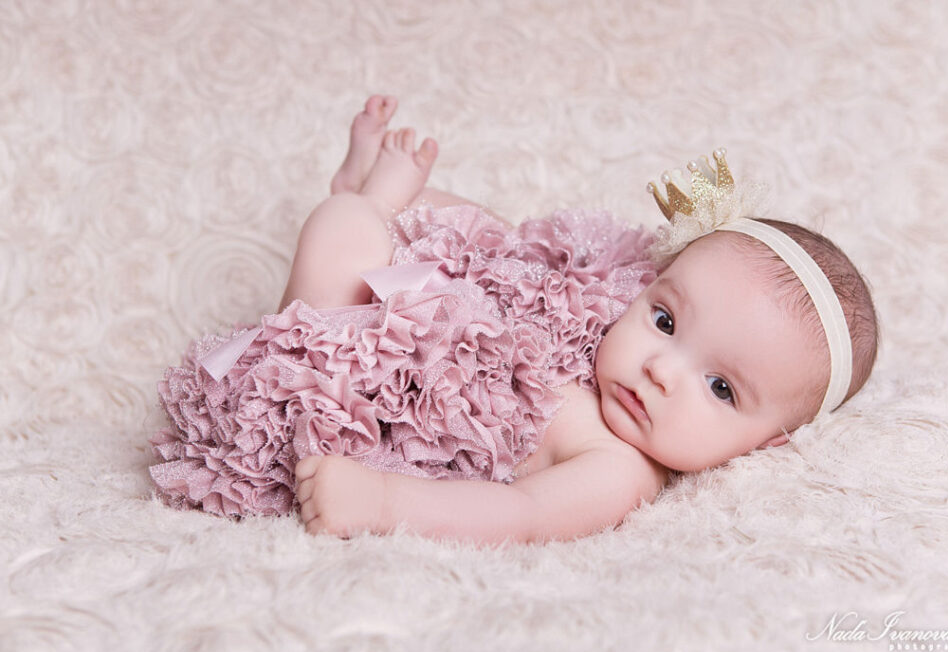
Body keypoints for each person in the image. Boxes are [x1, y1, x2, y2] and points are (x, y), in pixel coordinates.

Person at [150, 95, 878, 546]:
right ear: (649, 286)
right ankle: (388, 201)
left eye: (721, 388)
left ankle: (349, 237)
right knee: (488, 238)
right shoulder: (600, 312)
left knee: (340, 230)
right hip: (414, 340)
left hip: (358, 410)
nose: (660, 370)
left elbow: (518, 514)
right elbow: (508, 252)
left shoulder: (620, 469)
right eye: (663, 319)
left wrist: (381, 499)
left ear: (769, 441)